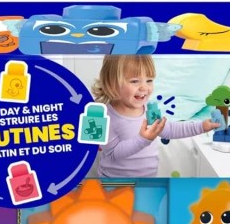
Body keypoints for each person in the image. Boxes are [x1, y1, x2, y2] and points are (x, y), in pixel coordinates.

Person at [92, 55, 220, 177]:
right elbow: (113, 153)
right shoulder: (103, 115)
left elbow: (170, 129)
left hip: (148, 180)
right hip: (115, 183)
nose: (144, 87)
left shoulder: (148, 108)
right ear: (112, 83)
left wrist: (201, 126)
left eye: (149, 81)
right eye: (135, 81)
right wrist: (143, 139)